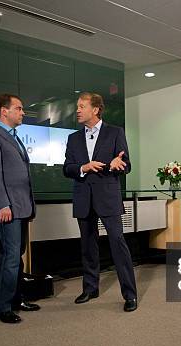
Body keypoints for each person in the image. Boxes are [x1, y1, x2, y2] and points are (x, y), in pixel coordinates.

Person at [63, 92, 138, 312]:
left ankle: (130, 295)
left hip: (108, 198)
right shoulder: (73, 138)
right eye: (77, 106)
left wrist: (119, 163)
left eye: (82, 106)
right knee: (87, 246)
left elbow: (127, 164)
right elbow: (67, 168)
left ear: (95, 109)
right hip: (83, 198)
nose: (77, 110)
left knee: (118, 244)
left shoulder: (115, 132)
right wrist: (83, 168)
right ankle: (90, 288)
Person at [0, 94, 40, 324]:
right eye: (19, 108)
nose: (23, 112)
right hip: (8, 208)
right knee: (10, 257)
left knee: (17, 256)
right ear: (4, 111)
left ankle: (16, 299)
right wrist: (2, 203)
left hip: (22, 207)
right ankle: (2, 308)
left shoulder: (14, 138)